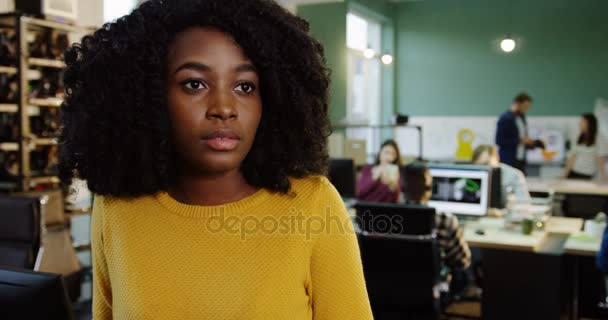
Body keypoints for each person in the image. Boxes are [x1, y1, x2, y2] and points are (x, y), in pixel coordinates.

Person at [58, 1, 373, 319]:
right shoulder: (116, 209)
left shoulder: (313, 204)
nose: (224, 107)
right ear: (148, 95)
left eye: (245, 86)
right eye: (194, 84)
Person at [402, 162, 471, 272]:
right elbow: (462, 261)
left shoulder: (388, 220)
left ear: (402, 189)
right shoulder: (446, 221)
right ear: (429, 190)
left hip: (392, 286)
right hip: (431, 286)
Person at [495, 93, 537, 173]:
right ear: (517, 103)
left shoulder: (521, 118)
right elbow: (499, 141)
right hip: (508, 160)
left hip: (520, 160)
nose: (526, 109)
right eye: (525, 107)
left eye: (528, 107)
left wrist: (531, 144)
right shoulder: (505, 118)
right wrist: (519, 140)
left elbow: (521, 139)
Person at [562, 113, 607, 180]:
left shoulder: (599, 138)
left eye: (582, 121)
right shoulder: (578, 136)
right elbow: (572, 157)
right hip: (574, 171)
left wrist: (604, 177)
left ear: (589, 123)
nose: (579, 124)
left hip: (587, 174)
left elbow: (601, 160)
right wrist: (564, 175)